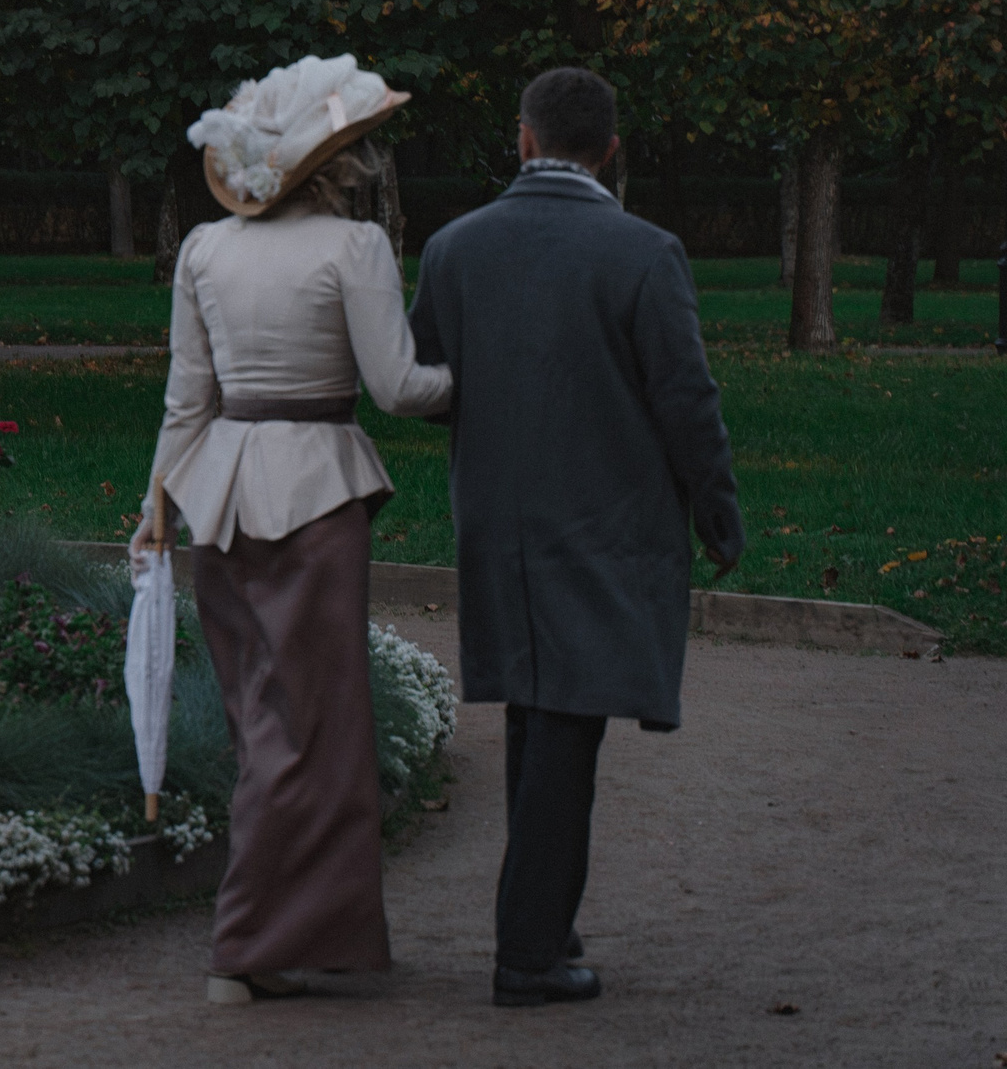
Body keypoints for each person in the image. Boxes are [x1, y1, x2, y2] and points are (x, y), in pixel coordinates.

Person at [407, 67, 743, 1007]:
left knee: (539, 712)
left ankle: (544, 921)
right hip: (603, 521)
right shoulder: (645, 252)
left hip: (497, 516)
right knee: (565, 723)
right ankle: (529, 950)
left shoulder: (452, 247)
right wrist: (717, 509)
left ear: (522, 139)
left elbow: (432, 378)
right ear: (611, 149)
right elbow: (687, 399)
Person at [130, 54, 453, 1004]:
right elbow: (399, 388)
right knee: (315, 725)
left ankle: (277, 937)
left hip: (218, 498)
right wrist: (476, 378)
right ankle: (246, 943)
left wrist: (156, 508)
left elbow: (187, 398)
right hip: (316, 491)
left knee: (260, 720)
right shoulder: (353, 249)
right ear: (338, 162)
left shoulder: (203, 249)